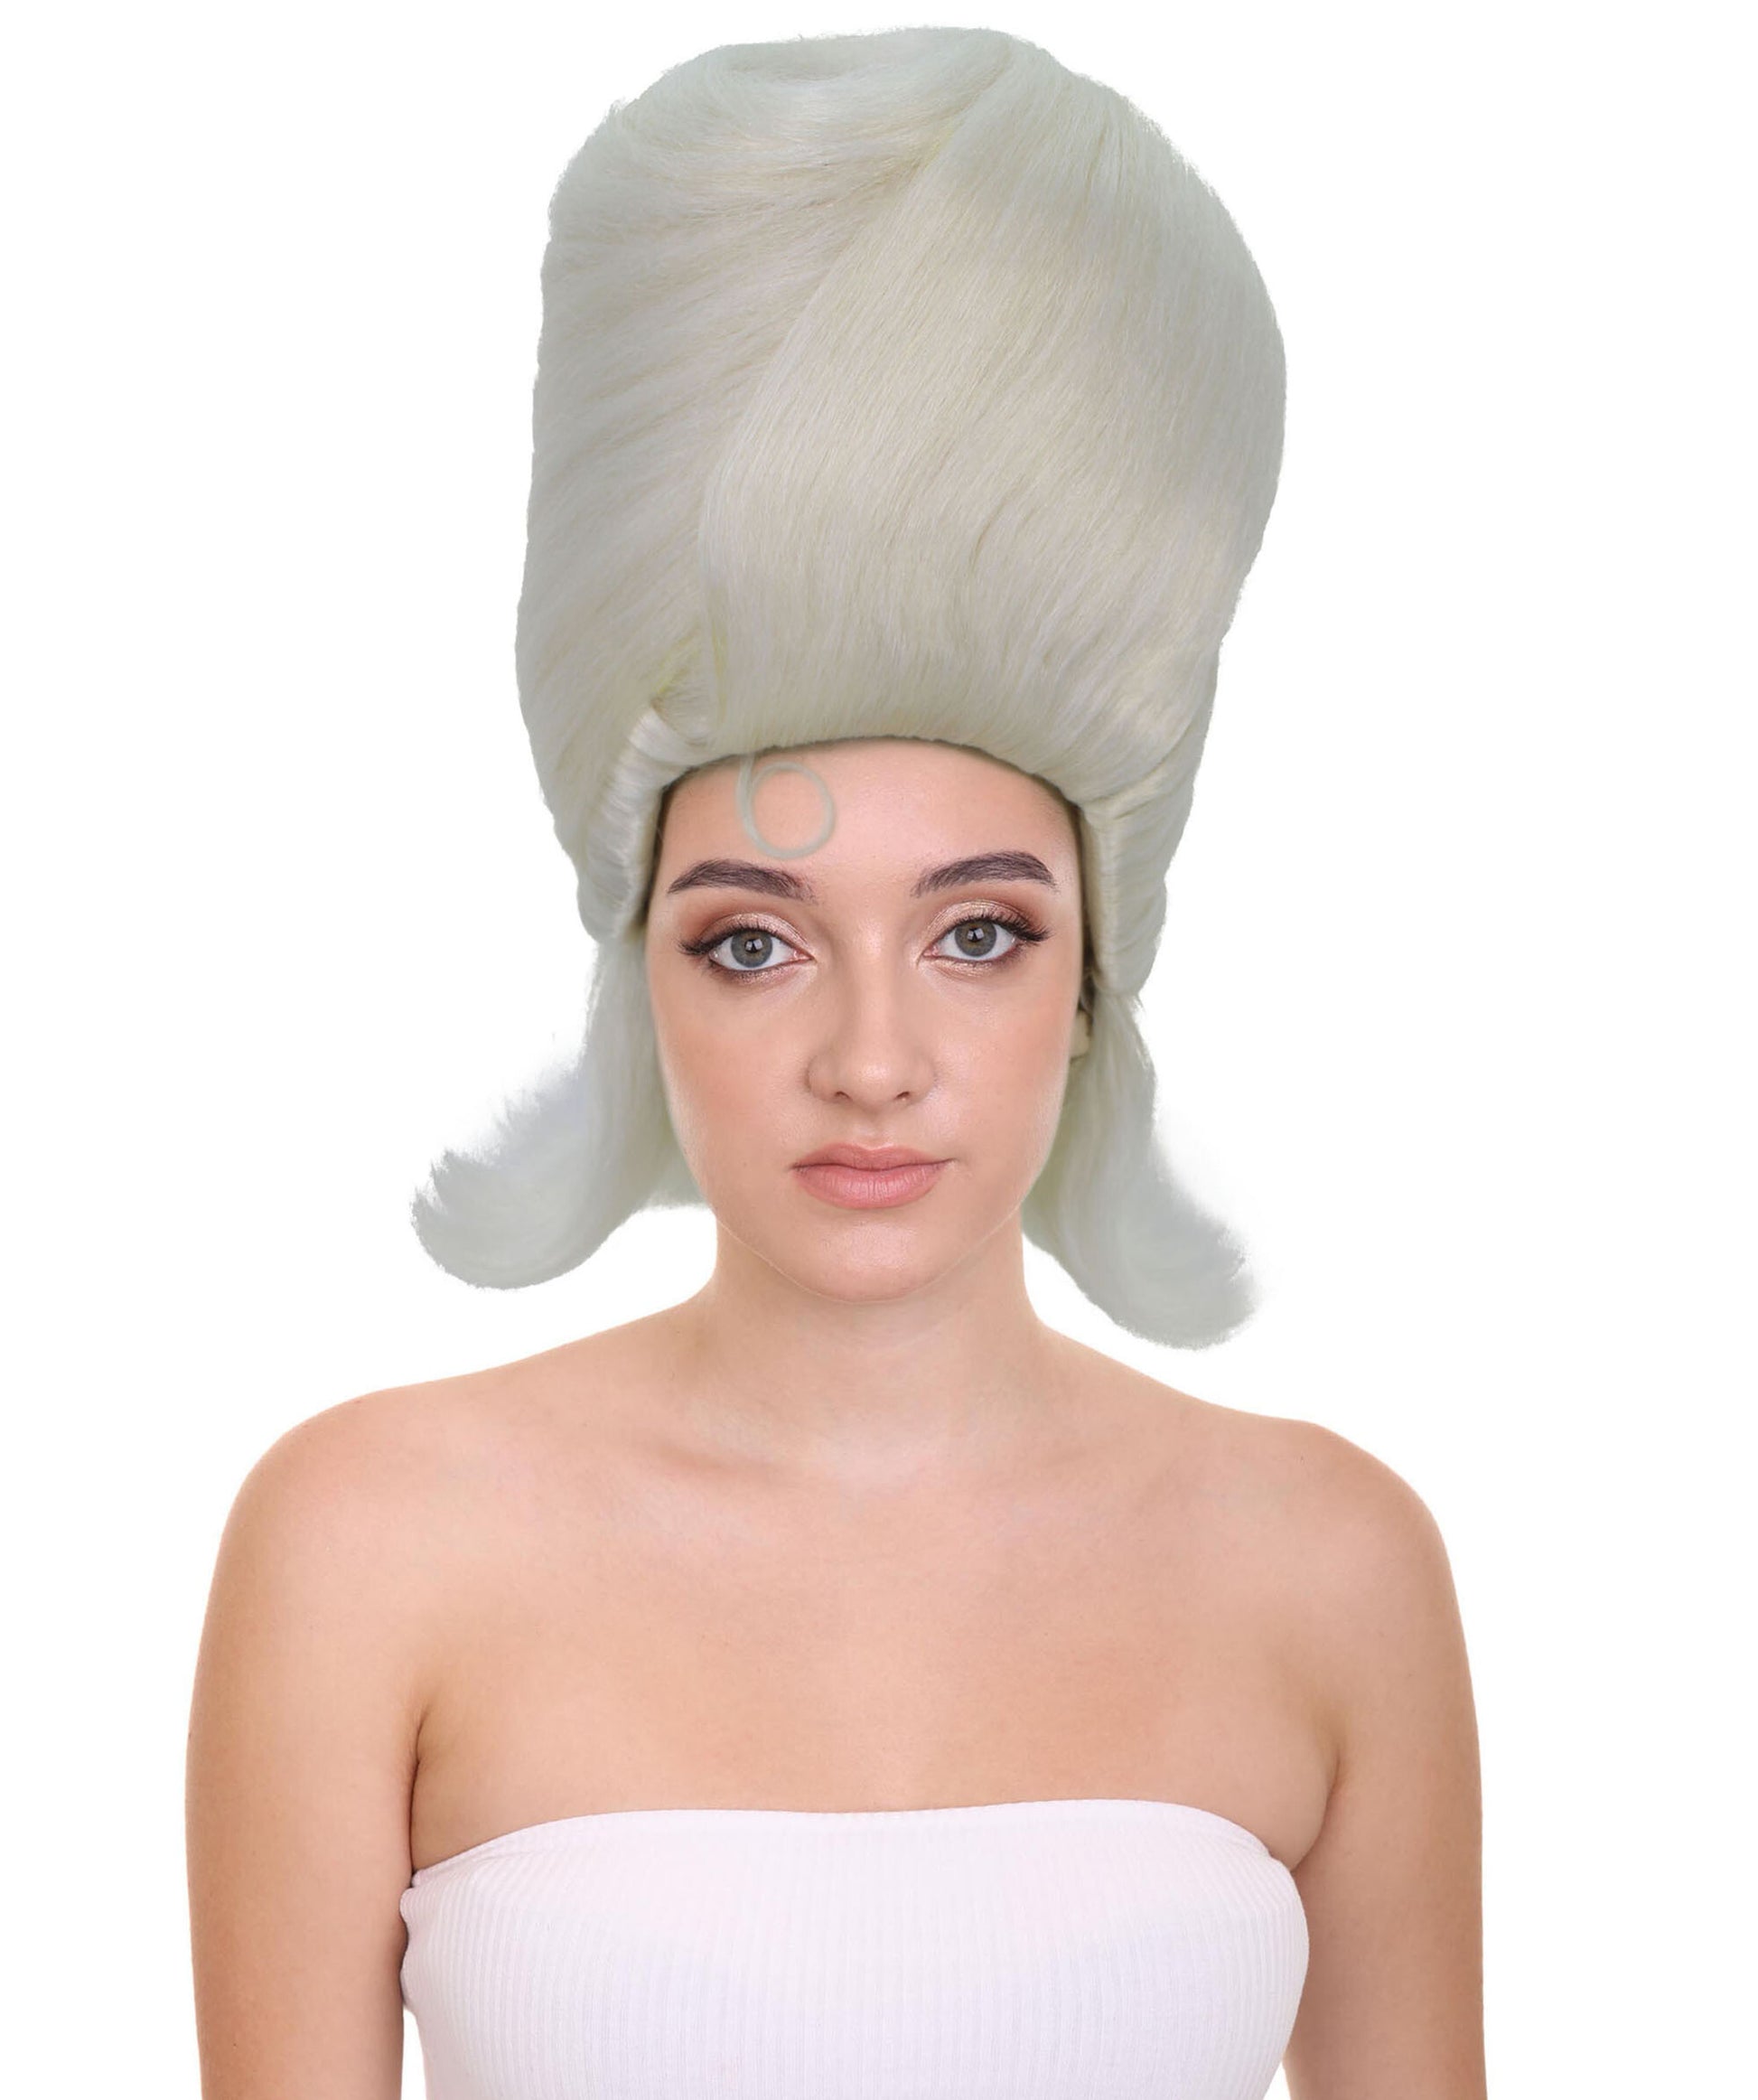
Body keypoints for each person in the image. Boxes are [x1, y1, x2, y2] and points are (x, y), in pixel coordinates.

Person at [185, 26, 1484, 2099]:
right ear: (641, 977)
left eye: (977, 934)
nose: (871, 1059)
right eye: (754, 941)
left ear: (1092, 978)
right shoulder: (366, 1539)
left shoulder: (1331, 1563)